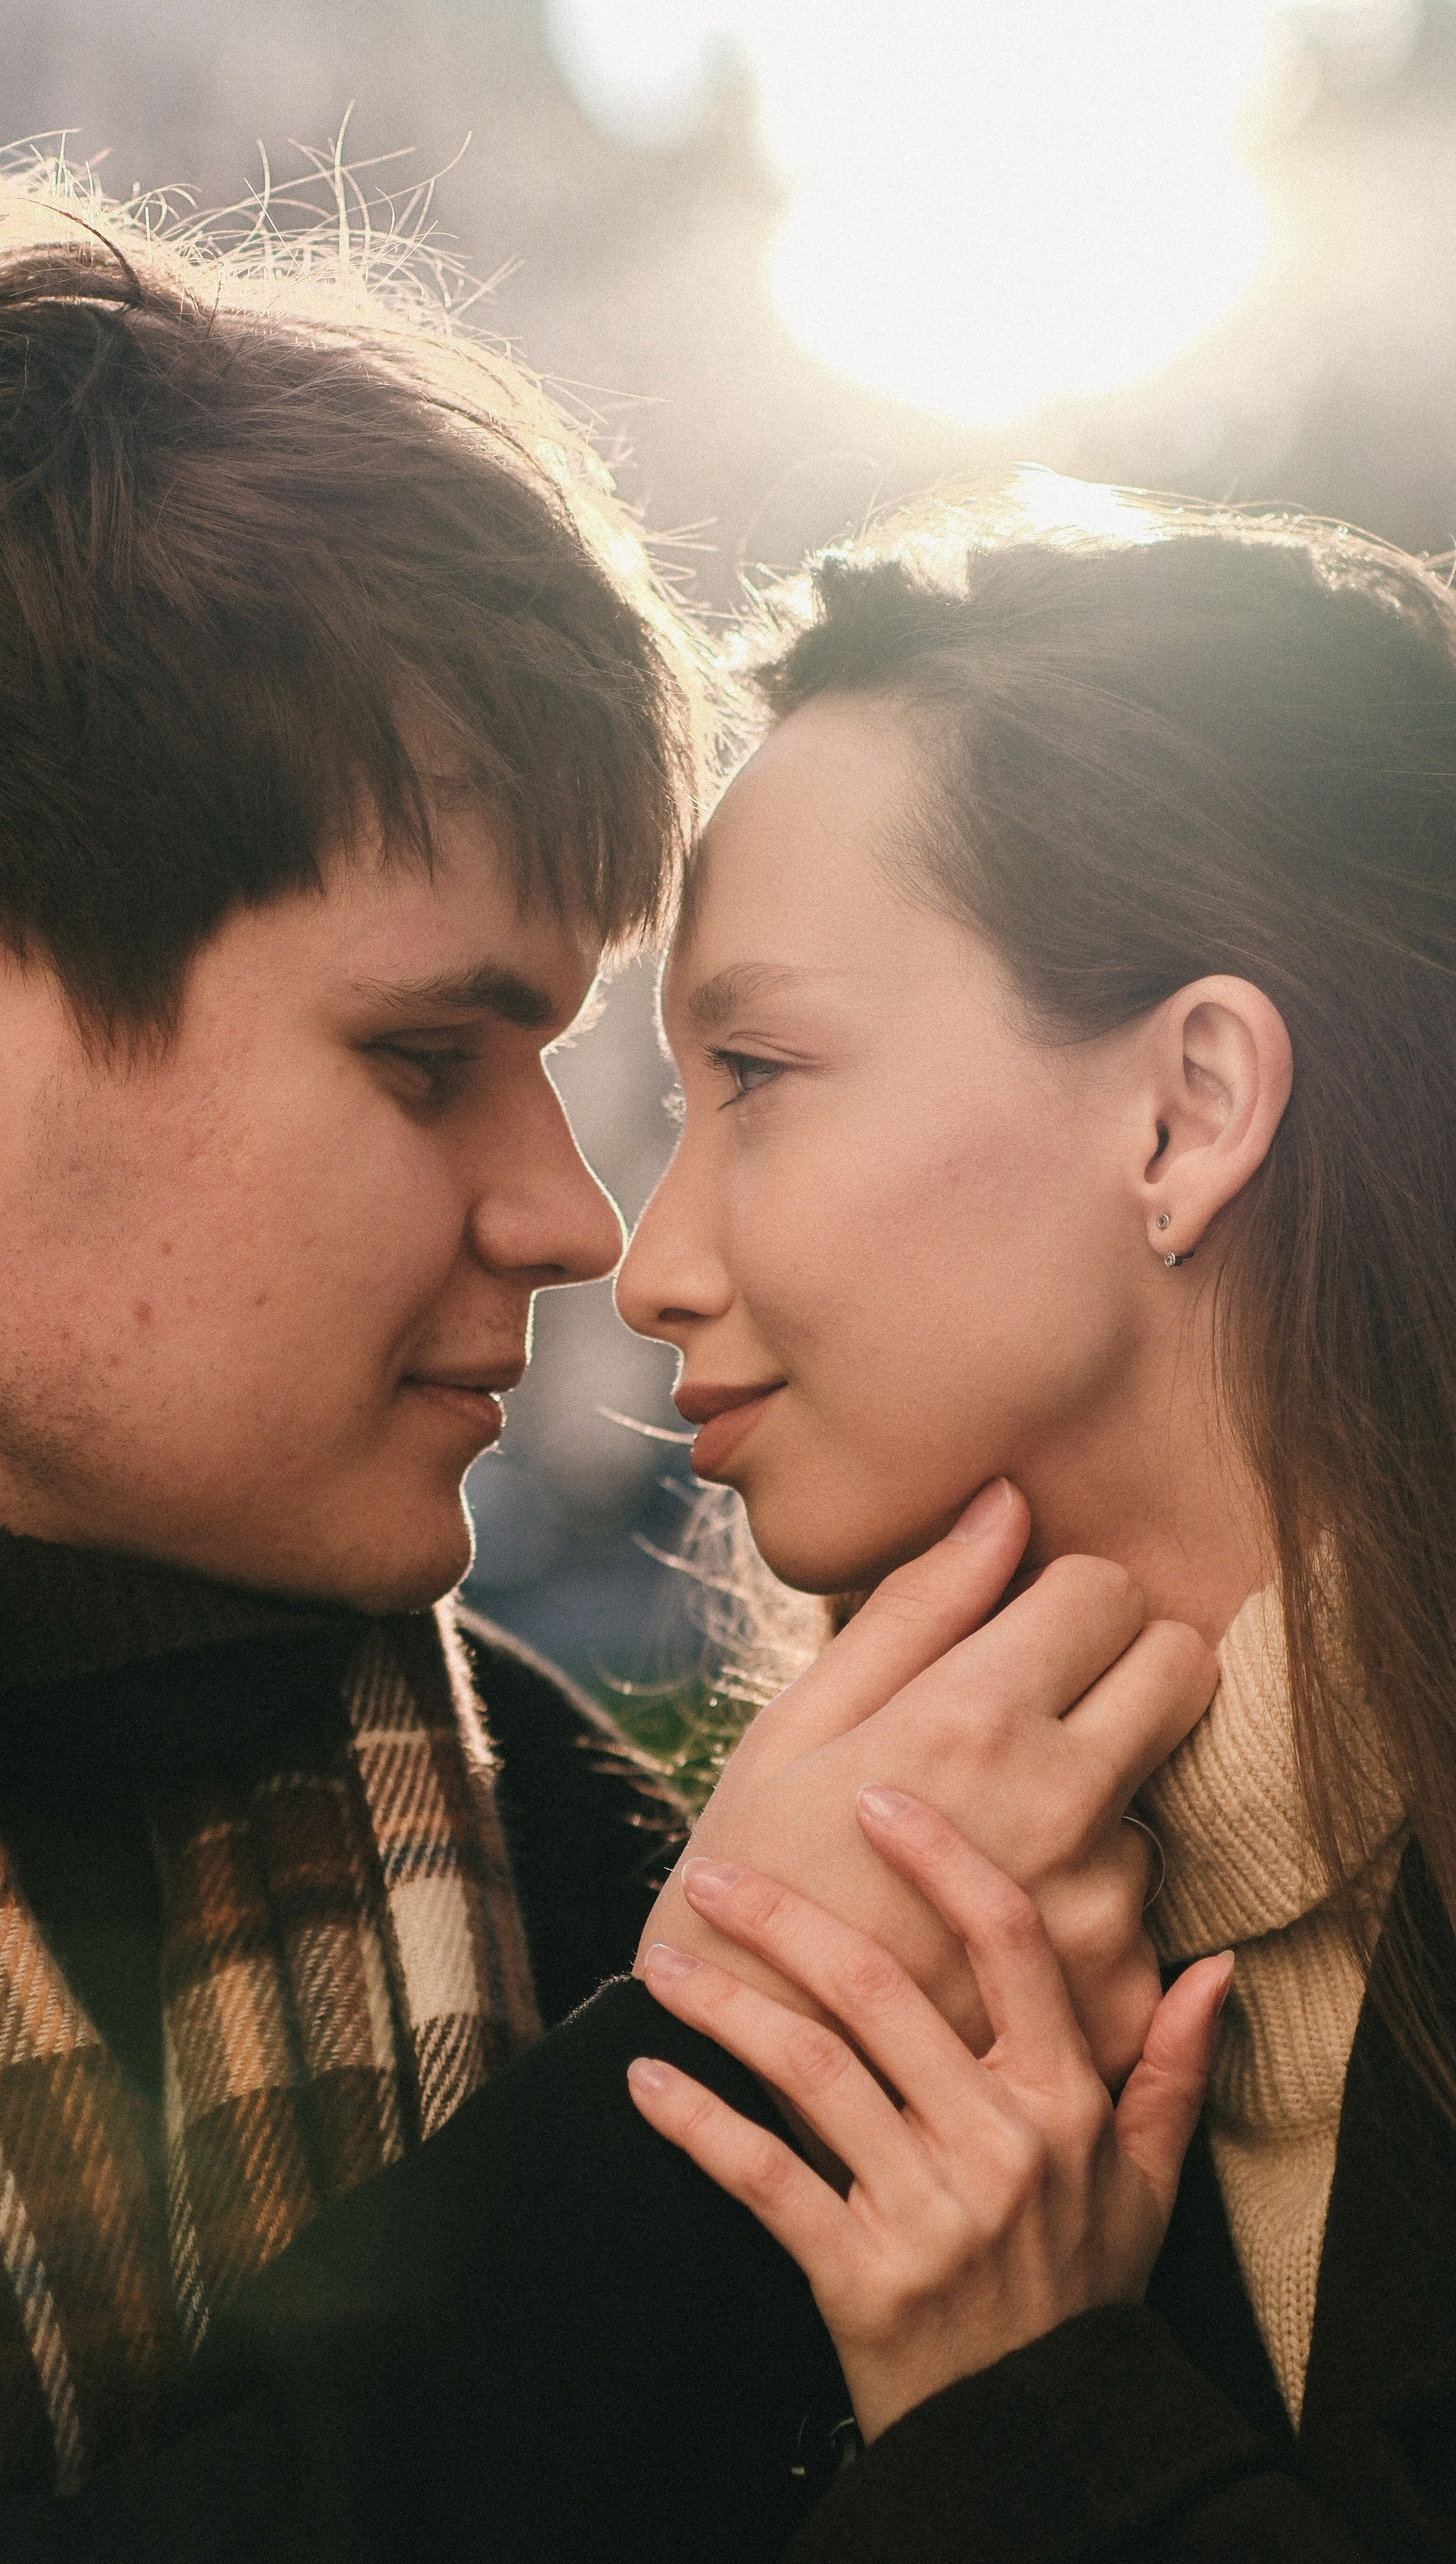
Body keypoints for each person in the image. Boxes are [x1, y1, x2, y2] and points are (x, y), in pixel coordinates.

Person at [0, 164, 1204, 2564]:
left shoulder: (534, 1820)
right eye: (426, 1056)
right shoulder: (672, 1952)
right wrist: (715, 2097)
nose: (575, 1220)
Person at [617, 472, 1456, 2559]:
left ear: (1184, 1109)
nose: (648, 1264)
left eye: (756, 1073)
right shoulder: (860, 1935)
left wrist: (1033, 2418)